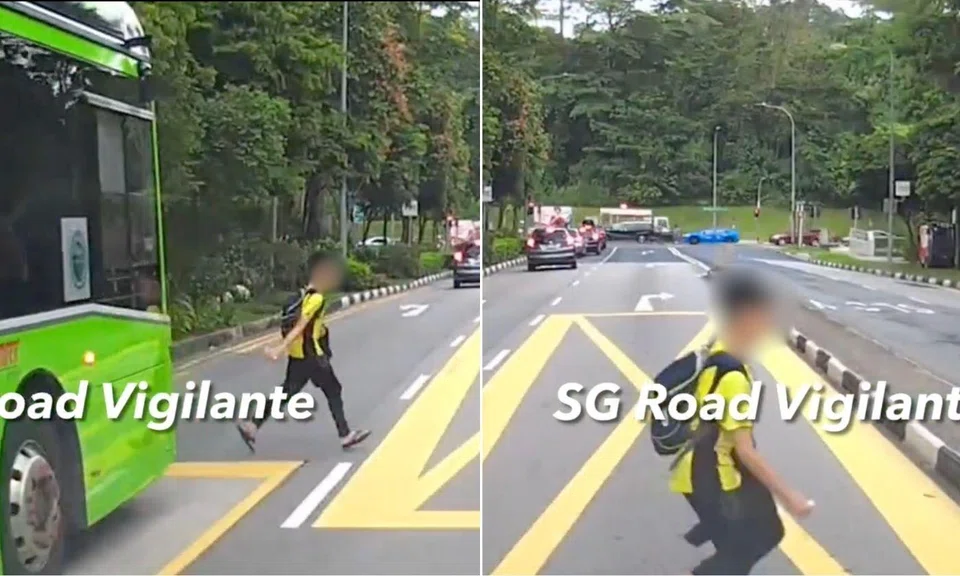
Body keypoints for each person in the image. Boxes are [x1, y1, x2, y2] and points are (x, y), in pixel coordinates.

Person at [669, 269, 813, 575]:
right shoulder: (733, 377)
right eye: (765, 316)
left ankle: (711, 533)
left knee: (749, 544)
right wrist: (790, 496)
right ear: (747, 317)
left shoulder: (718, 353)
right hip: (711, 477)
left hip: (699, 470)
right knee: (751, 545)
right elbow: (745, 450)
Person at [236, 251, 370, 451]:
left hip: (298, 356)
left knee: (286, 392)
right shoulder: (316, 299)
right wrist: (279, 348)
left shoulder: (303, 295)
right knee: (333, 390)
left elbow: (307, 325)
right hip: (312, 357)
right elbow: (300, 326)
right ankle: (345, 435)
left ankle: (252, 425)